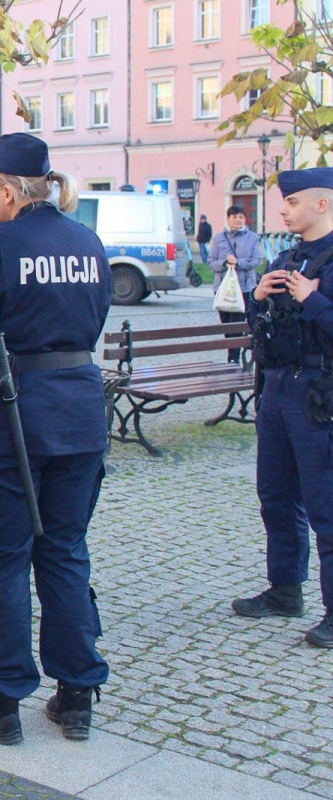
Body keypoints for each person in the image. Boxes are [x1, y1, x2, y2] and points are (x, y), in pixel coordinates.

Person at [0, 133, 112, 745]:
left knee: (1, 560)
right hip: (78, 414)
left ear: (4, 190)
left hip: (5, 421)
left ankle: (1, 702)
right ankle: (77, 693)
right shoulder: (86, 241)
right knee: (64, 552)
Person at [232, 167, 333, 648]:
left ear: (322, 204)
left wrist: (314, 300)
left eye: (291, 204)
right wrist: (257, 298)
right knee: (275, 495)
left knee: (325, 505)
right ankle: (285, 590)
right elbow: (265, 326)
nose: (283, 211)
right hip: (277, 387)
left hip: (318, 393)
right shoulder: (289, 256)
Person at [208, 205, 264, 363]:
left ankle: (234, 359)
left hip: (244, 288)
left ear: (245, 219)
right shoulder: (219, 238)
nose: (238, 220)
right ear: (228, 219)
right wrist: (225, 263)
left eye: (241, 217)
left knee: (237, 326)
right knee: (227, 327)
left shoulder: (252, 238)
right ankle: (231, 357)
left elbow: (256, 260)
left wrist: (238, 263)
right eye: (234, 217)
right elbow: (211, 262)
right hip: (223, 288)